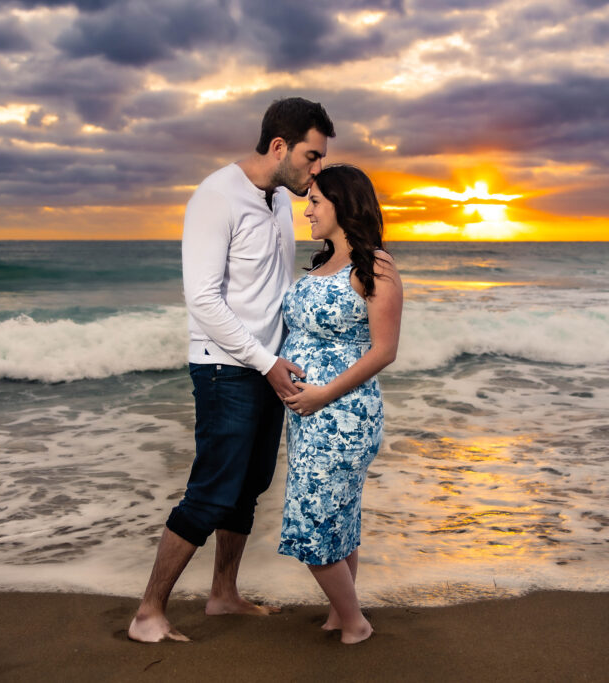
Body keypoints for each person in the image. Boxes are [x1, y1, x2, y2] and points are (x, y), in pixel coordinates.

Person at [128, 97, 336, 643]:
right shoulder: (216, 196)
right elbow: (202, 299)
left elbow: (272, 290)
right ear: (279, 146)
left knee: (249, 486)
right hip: (226, 369)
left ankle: (223, 594)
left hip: (269, 368)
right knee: (212, 491)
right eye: (312, 156)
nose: (317, 169)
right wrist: (266, 363)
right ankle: (148, 612)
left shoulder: (279, 200)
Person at [277, 164, 403, 644]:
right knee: (339, 519)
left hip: (344, 416)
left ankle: (356, 623)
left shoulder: (375, 267)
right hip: (308, 417)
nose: (307, 211)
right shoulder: (322, 264)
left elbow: (384, 350)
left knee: (312, 522)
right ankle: (339, 613)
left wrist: (323, 394)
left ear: (342, 204)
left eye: (315, 201)